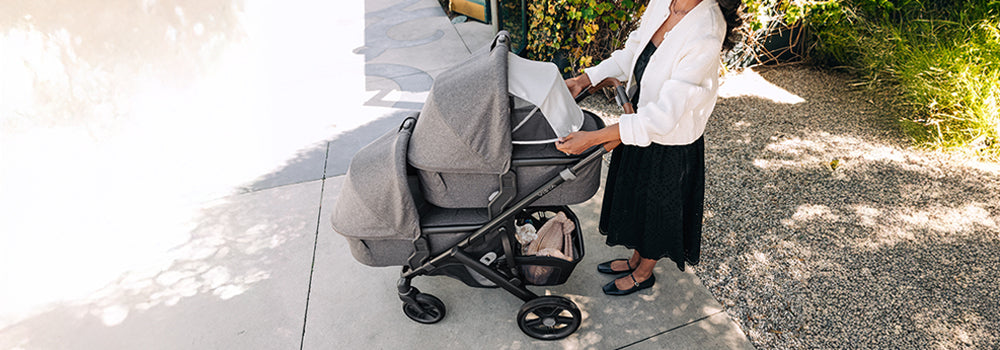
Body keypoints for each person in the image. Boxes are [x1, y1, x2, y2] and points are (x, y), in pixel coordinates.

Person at [555, 0, 743, 295]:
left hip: (670, 138)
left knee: (657, 209)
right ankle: (634, 259)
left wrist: (593, 138)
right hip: (638, 116)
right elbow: (633, 51)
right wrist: (584, 80)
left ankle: (644, 272)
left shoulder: (707, 27)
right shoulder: (663, 1)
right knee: (637, 197)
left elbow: (666, 115)